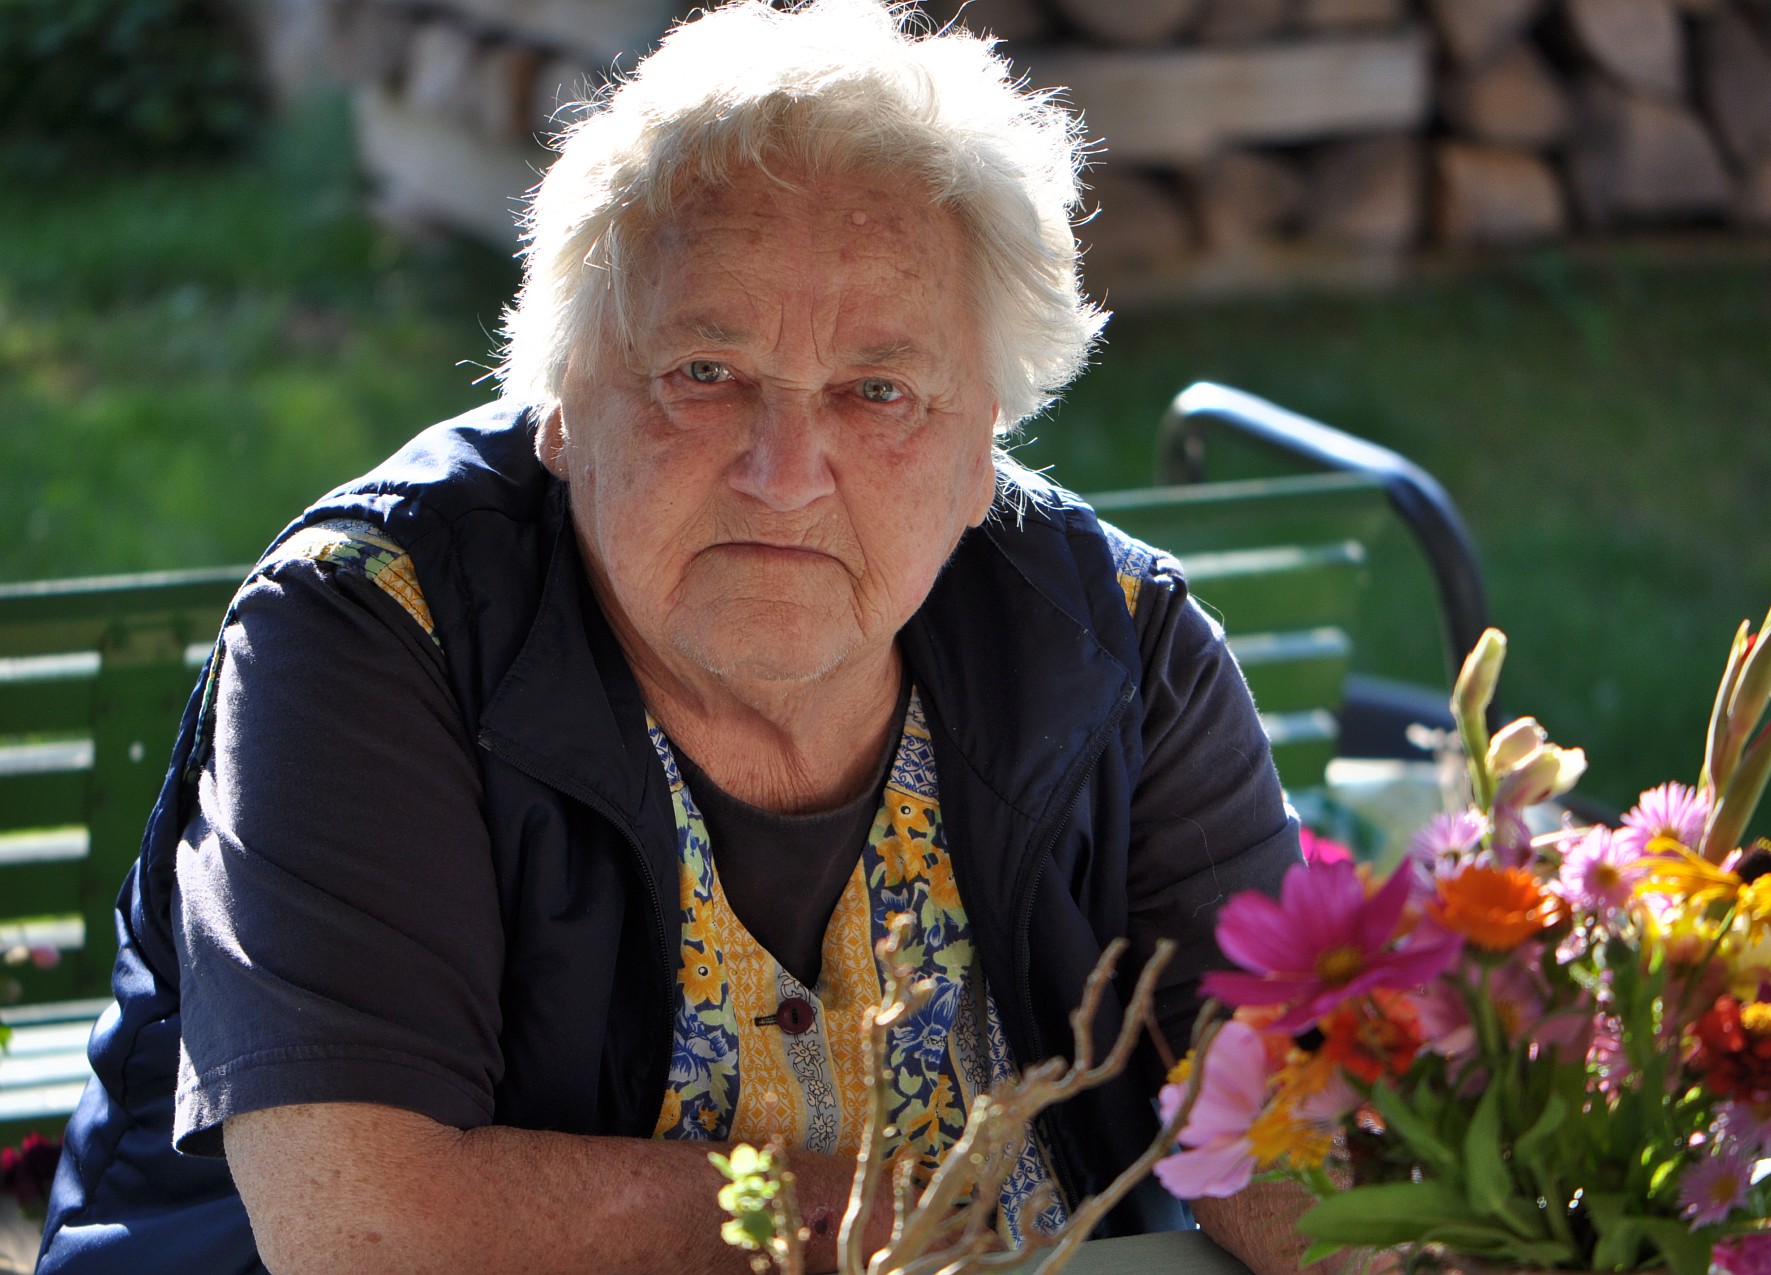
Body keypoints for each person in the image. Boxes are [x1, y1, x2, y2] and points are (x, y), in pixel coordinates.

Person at [39, 2, 1302, 1270]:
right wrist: (853, 1225)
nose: (786, 471)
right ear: (563, 401)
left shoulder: (1118, 645)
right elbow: (370, 1223)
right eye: (706, 372)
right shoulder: (374, 629)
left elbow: (1289, 1124)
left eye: (878, 392)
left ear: (983, 452)